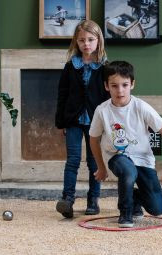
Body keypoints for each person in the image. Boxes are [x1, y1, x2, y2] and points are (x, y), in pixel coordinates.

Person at [89, 61, 162, 228]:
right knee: (128, 170)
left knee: (158, 208)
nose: (120, 90)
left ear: (132, 84)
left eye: (124, 85)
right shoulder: (102, 110)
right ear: (107, 86)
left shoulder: (141, 107)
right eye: (114, 86)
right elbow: (93, 139)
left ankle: (135, 198)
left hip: (143, 159)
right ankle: (125, 212)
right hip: (116, 157)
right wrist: (101, 167)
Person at [54, 20, 110, 219]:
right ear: (76, 42)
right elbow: (62, 94)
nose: (86, 44)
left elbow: (108, 98)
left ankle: (93, 199)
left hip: (96, 122)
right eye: (82, 40)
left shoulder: (105, 68)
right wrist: (60, 122)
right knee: (73, 161)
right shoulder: (70, 67)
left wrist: (108, 124)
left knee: (94, 162)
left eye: (91, 40)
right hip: (73, 120)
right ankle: (67, 199)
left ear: (98, 41)